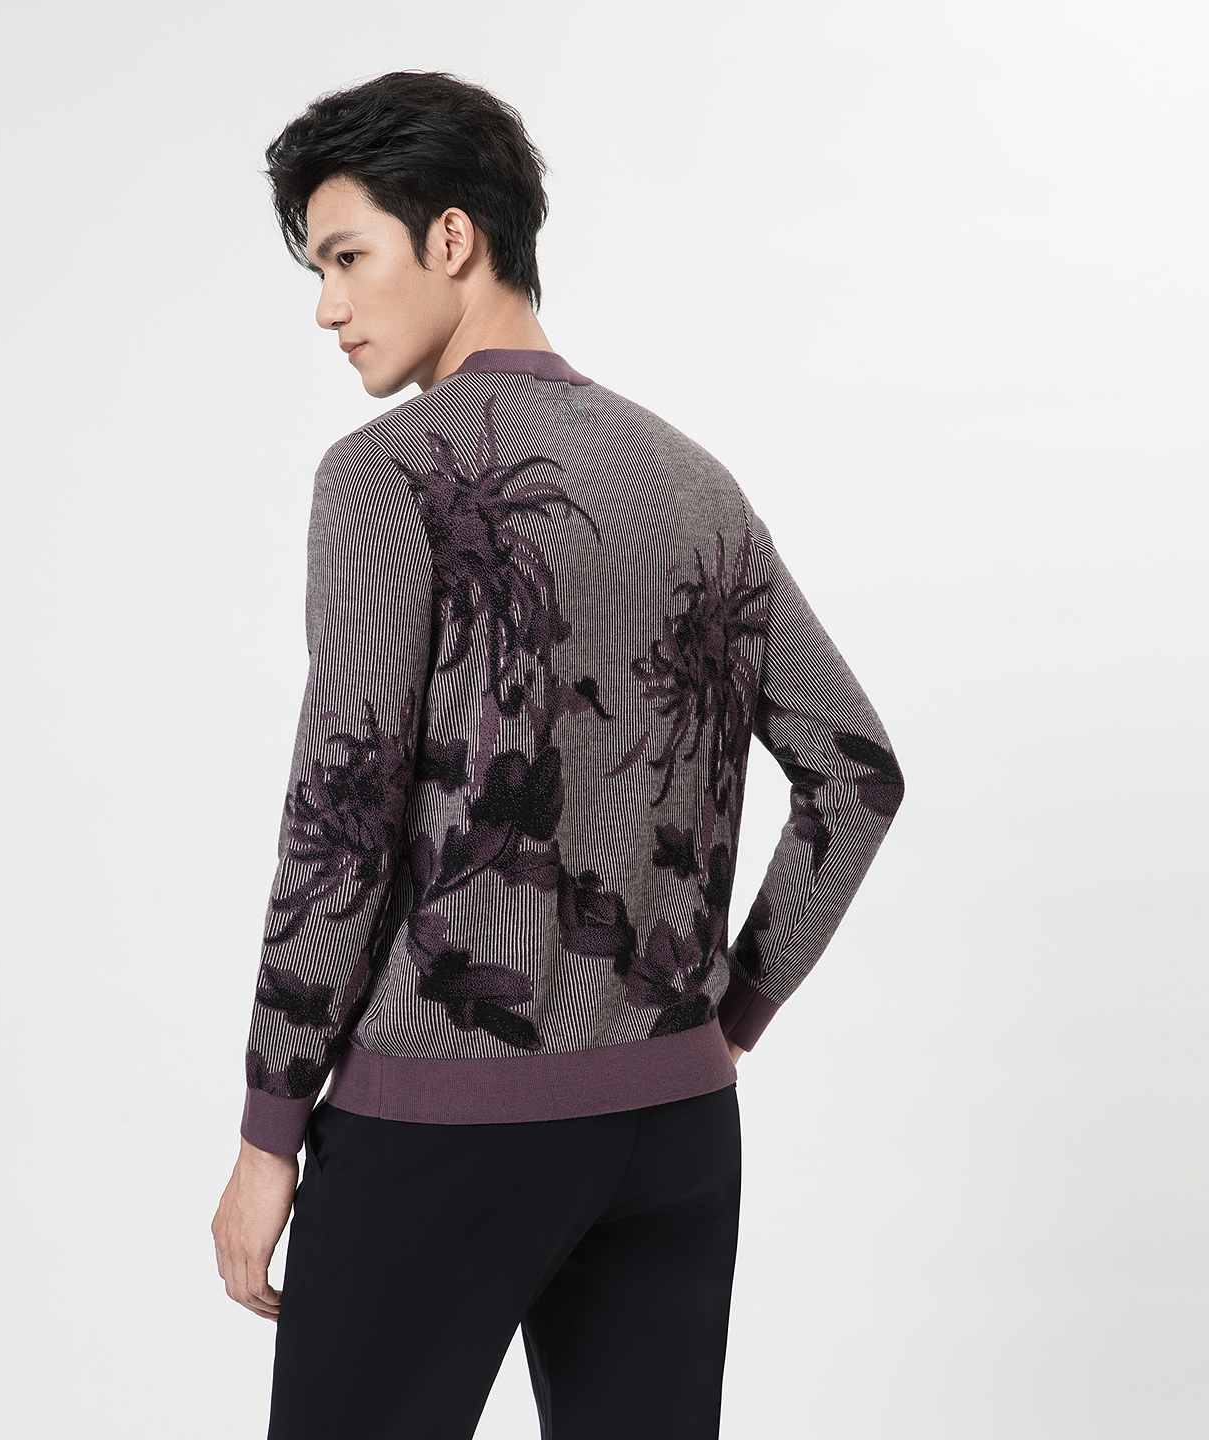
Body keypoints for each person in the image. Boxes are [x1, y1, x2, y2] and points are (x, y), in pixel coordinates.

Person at [211, 70, 905, 1440]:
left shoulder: (385, 473)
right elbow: (857, 776)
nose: (327, 306)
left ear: (451, 237)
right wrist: (725, 1018)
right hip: (674, 1133)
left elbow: (342, 815)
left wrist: (267, 1130)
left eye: (346, 257)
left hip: (442, 1129)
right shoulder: (693, 481)